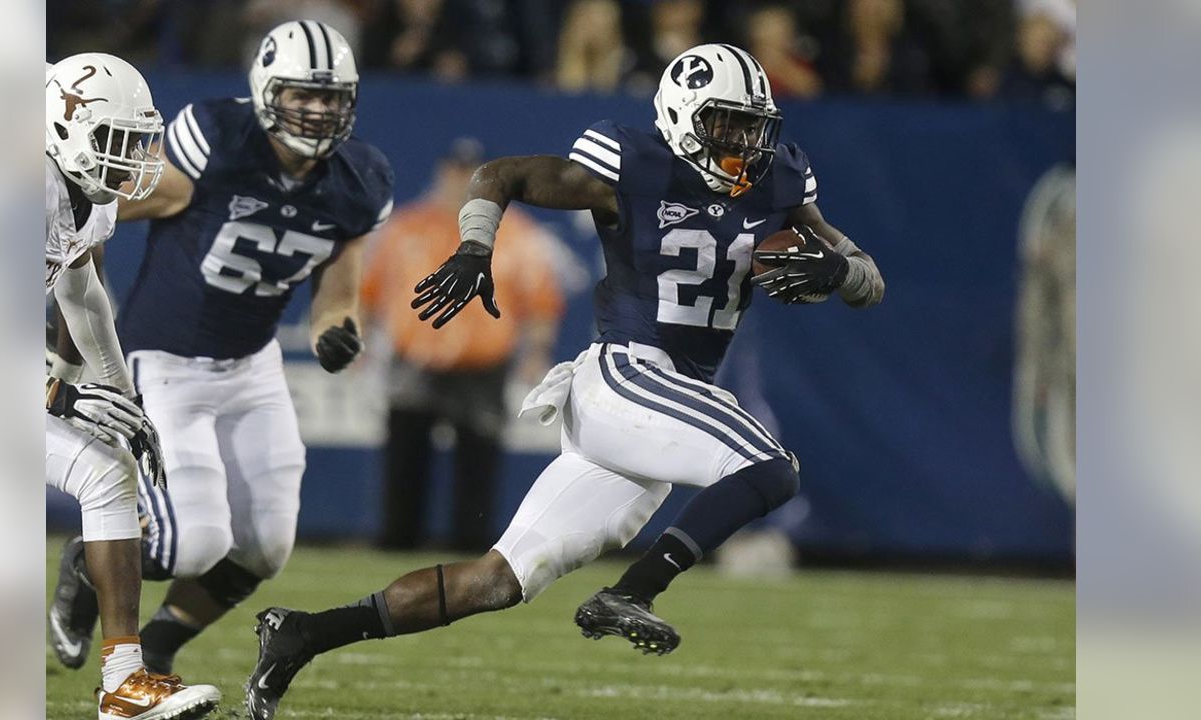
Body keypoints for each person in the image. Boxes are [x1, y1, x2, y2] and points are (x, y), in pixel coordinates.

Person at [243, 43, 885, 719]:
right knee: (770, 465)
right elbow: (501, 175)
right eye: (725, 123)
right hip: (627, 376)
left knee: (495, 581)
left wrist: (843, 274)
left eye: (752, 126)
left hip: (662, 406)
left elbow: (867, 278)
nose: (742, 141)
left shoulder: (778, 181)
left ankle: (305, 634)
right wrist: (473, 247)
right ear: (682, 114)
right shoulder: (633, 166)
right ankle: (634, 591)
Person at [49, 21, 394, 676]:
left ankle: (157, 647)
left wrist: (336, 333)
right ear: (267, 92)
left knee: (265, 546)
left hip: (251, 366)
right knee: (195, 543)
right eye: (303, 95)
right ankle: (86, 562)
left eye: (331, 98)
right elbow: (105, 201)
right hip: (164, 360)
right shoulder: (217, 141)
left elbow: (337, 295)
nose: (319, 111)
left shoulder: (360, 180)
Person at [44, 53, 221, 719]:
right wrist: (56, 387)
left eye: (133, 142)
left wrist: (121, 395)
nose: (128, 162)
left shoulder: (76, 193)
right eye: (114, 143)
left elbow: (82, 290)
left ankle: (124, 682)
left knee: (109, 469)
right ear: (64, 130)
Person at [361, 138, 563, 552]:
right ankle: (396, 544)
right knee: (404, 460)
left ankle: (470, 549)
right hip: (414, 358)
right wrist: (360, 342)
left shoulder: (518, 233)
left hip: (483, 364)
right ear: (441, 175)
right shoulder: (406, 227)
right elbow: (370, 291)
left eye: (472, 175)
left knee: (478, 462)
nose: (462, 183)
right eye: (455, 173)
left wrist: (536, 353)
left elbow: (541, 301)